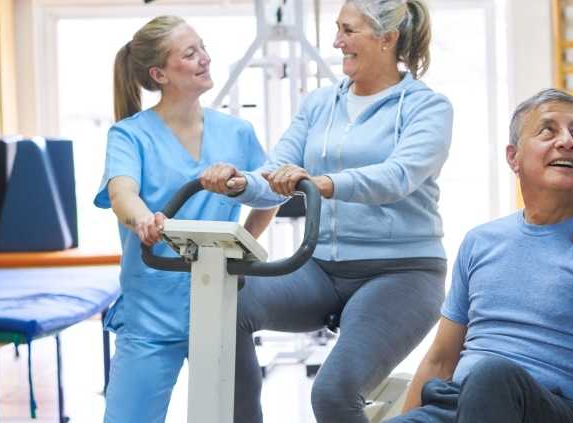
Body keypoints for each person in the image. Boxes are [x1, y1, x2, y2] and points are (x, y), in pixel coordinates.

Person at [197, 1, 453, 421]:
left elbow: (398, 176)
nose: (337, 42)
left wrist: (323, 184)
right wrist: (241, 183)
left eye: (348, 30)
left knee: (333, 393)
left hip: (401, 273)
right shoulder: (319, 104)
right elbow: (274, 172)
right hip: (319, 269)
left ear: (388, 39)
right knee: (227, 305)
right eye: (337, 29)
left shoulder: (427, 106)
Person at [389, 89, 573, 423]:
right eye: (548, 130)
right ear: (513, 157)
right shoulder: (479, 242)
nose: (568, 141)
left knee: (492, 376)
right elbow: (440, 360)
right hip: (458, 406)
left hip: (556, 412)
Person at [93, 15, 278, 423]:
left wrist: (245, 246)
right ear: (159, 73)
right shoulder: (129, 135)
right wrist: (143, 220)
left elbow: (269, 194)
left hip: (219, 304)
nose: (205, 59)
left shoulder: (237, 133)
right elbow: (122, 193)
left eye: (203, 48)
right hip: (152, 308)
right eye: (190, 53)